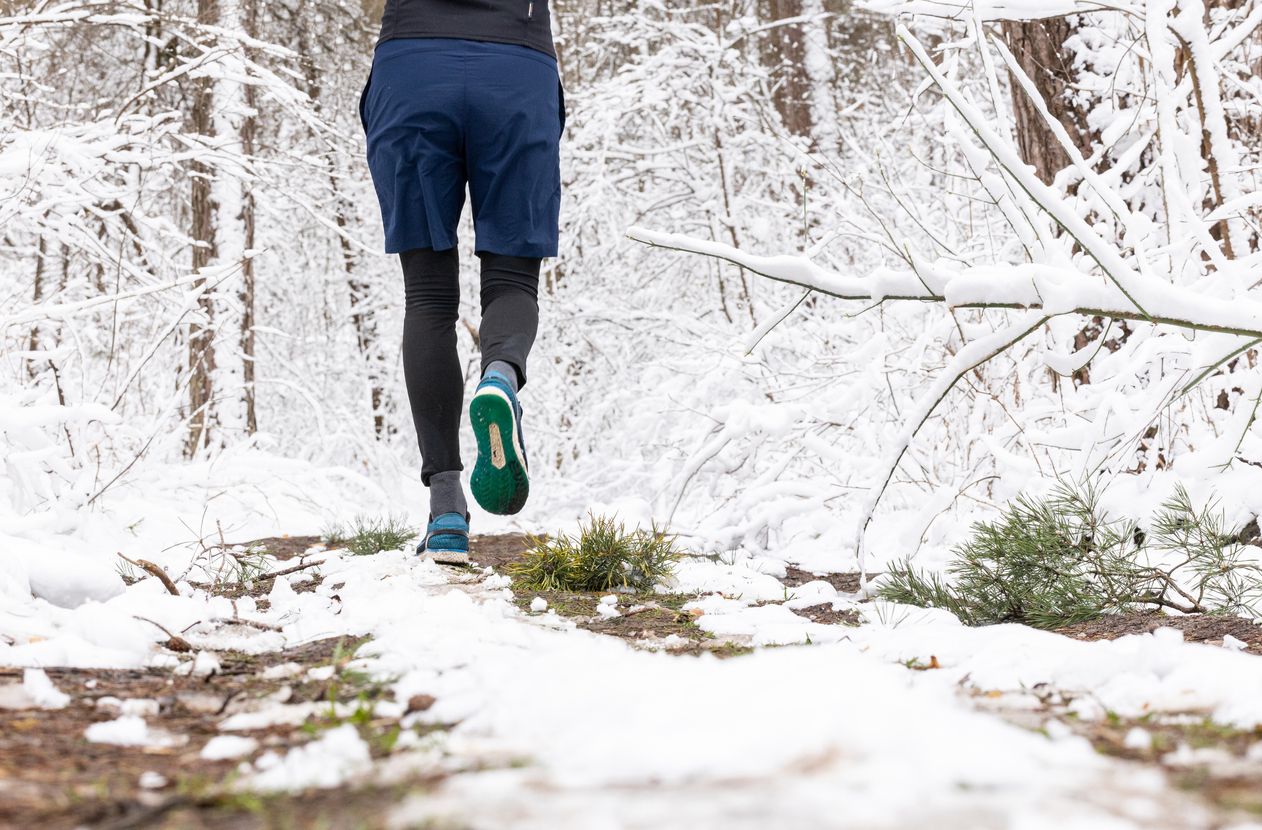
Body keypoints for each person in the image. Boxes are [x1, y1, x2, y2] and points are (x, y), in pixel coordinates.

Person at [359, 0, 565, 564]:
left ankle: (446, 509)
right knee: (512, 277)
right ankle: (500, 376)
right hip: (517, 70)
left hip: (411, 70)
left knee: (428, 296)